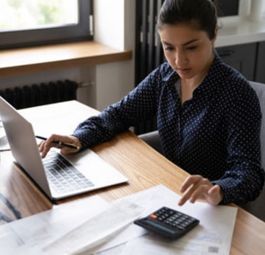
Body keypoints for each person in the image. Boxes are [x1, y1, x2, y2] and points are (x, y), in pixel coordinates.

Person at [39, 0, 264, 206]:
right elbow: (118, 114)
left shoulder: (237, 94)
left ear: (213, 34)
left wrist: (219, 189)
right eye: (169, 47)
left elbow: (249, 172)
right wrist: (78, 138)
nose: (179, 60)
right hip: (167, 194)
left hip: (213, 209)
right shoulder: (166, 77)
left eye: (191, 47)